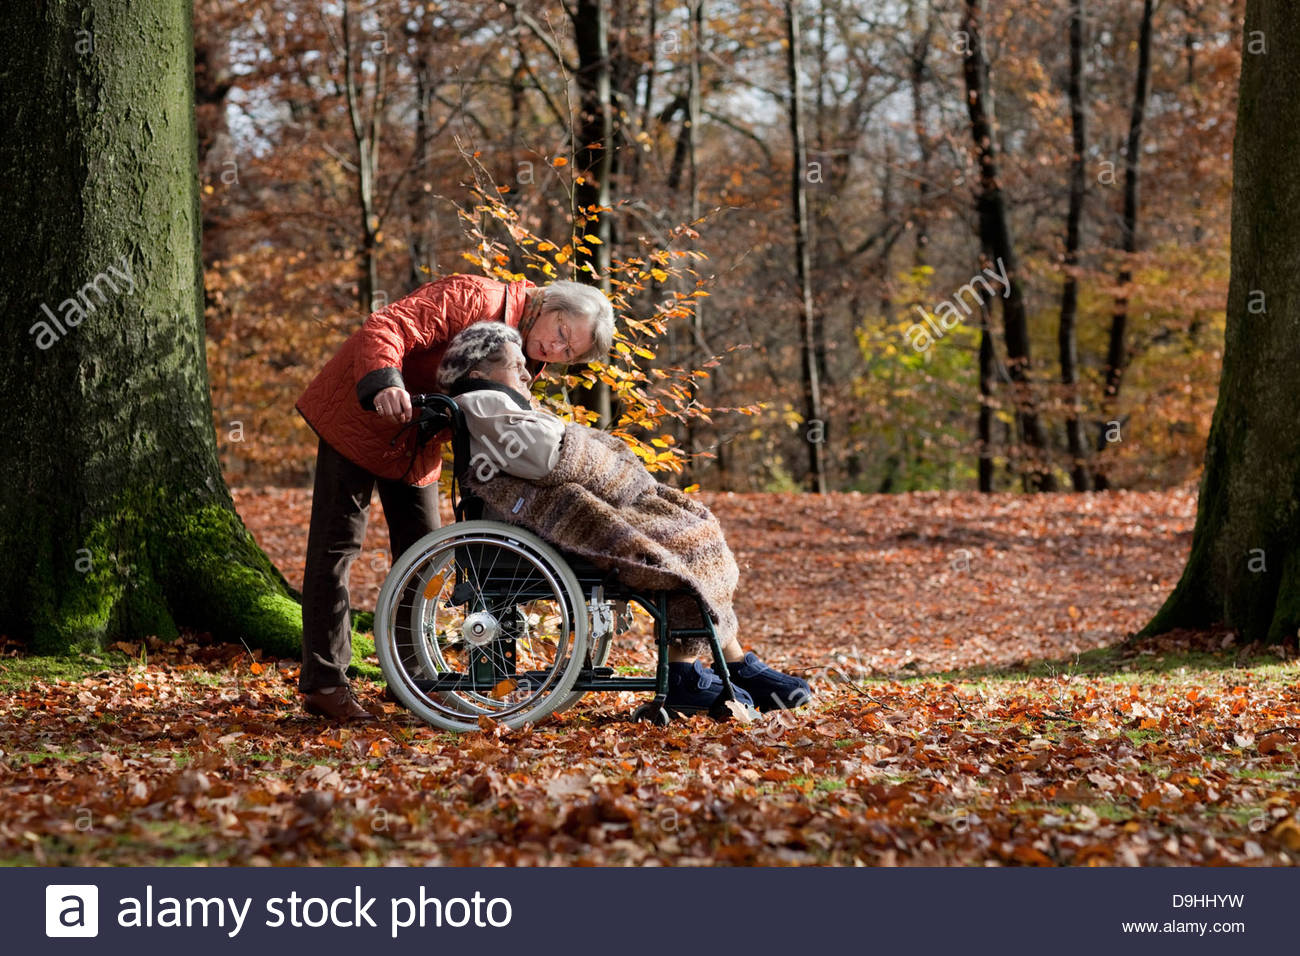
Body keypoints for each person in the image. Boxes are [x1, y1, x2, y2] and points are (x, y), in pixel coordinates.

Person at [436, 323, 812, 717]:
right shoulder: (483, 402)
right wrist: (585, 441)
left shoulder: (500, 404)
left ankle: (720, 664)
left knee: (692, 531)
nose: (528, 373)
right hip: (547, 522)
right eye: (516, 366)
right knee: (678, 546)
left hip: (554, 516)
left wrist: (578, 438)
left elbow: (554, 446)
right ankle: (700, 672)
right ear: (479, 374)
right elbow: (549, 457)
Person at [295, 275, 615, 722]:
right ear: (548, 304)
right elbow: (387, 325)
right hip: (362, 415)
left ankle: (409, 677)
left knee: (423, 556)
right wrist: (386, 382)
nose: (556, 350)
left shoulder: (526, 346)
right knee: (336, 548)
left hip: (418, 436)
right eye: (561, 334)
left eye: (570, 353)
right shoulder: (473, 296)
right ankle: (324, 682)